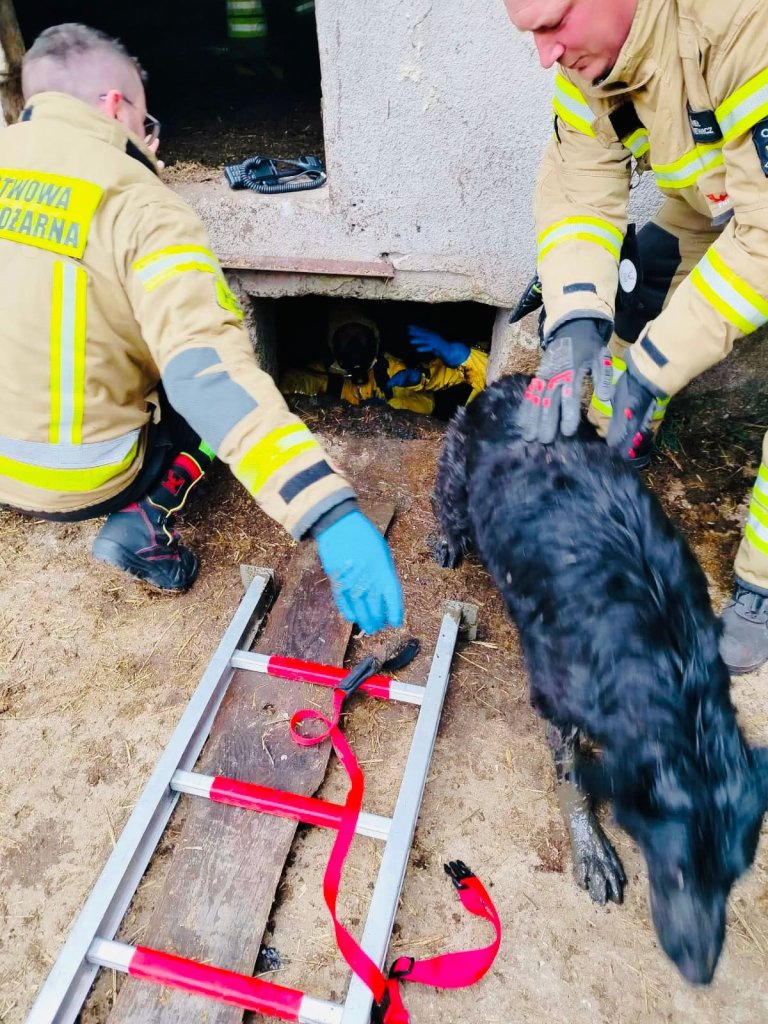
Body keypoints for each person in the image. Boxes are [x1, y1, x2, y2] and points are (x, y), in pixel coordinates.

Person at [0, 23, 402, 636]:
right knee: (203, 402)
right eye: (145, 122)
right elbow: (207, 376)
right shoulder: (143, 206)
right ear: (116, 105)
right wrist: (327, 510)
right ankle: (140, 523)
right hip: (83, 473)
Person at [505, 0, 768, 674]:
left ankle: (762, 587)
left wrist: (654, 366)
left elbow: (766, 240)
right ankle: (614, 459)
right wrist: (575, 318)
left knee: (656, 353)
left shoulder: (740, 22)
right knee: (640, 282)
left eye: (552, 24)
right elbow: (580, 189)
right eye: (530, 33)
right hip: (727, 192)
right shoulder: (590, 62)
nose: (545, 53)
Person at [280, 305, 488, 419]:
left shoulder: (390, 369)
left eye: (360, 336)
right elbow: (289, 386)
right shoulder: (321, 374)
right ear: (332, 343)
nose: (354, 344)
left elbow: (425, 403)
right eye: (345, 337)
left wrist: (389, 408)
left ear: (374, 339)